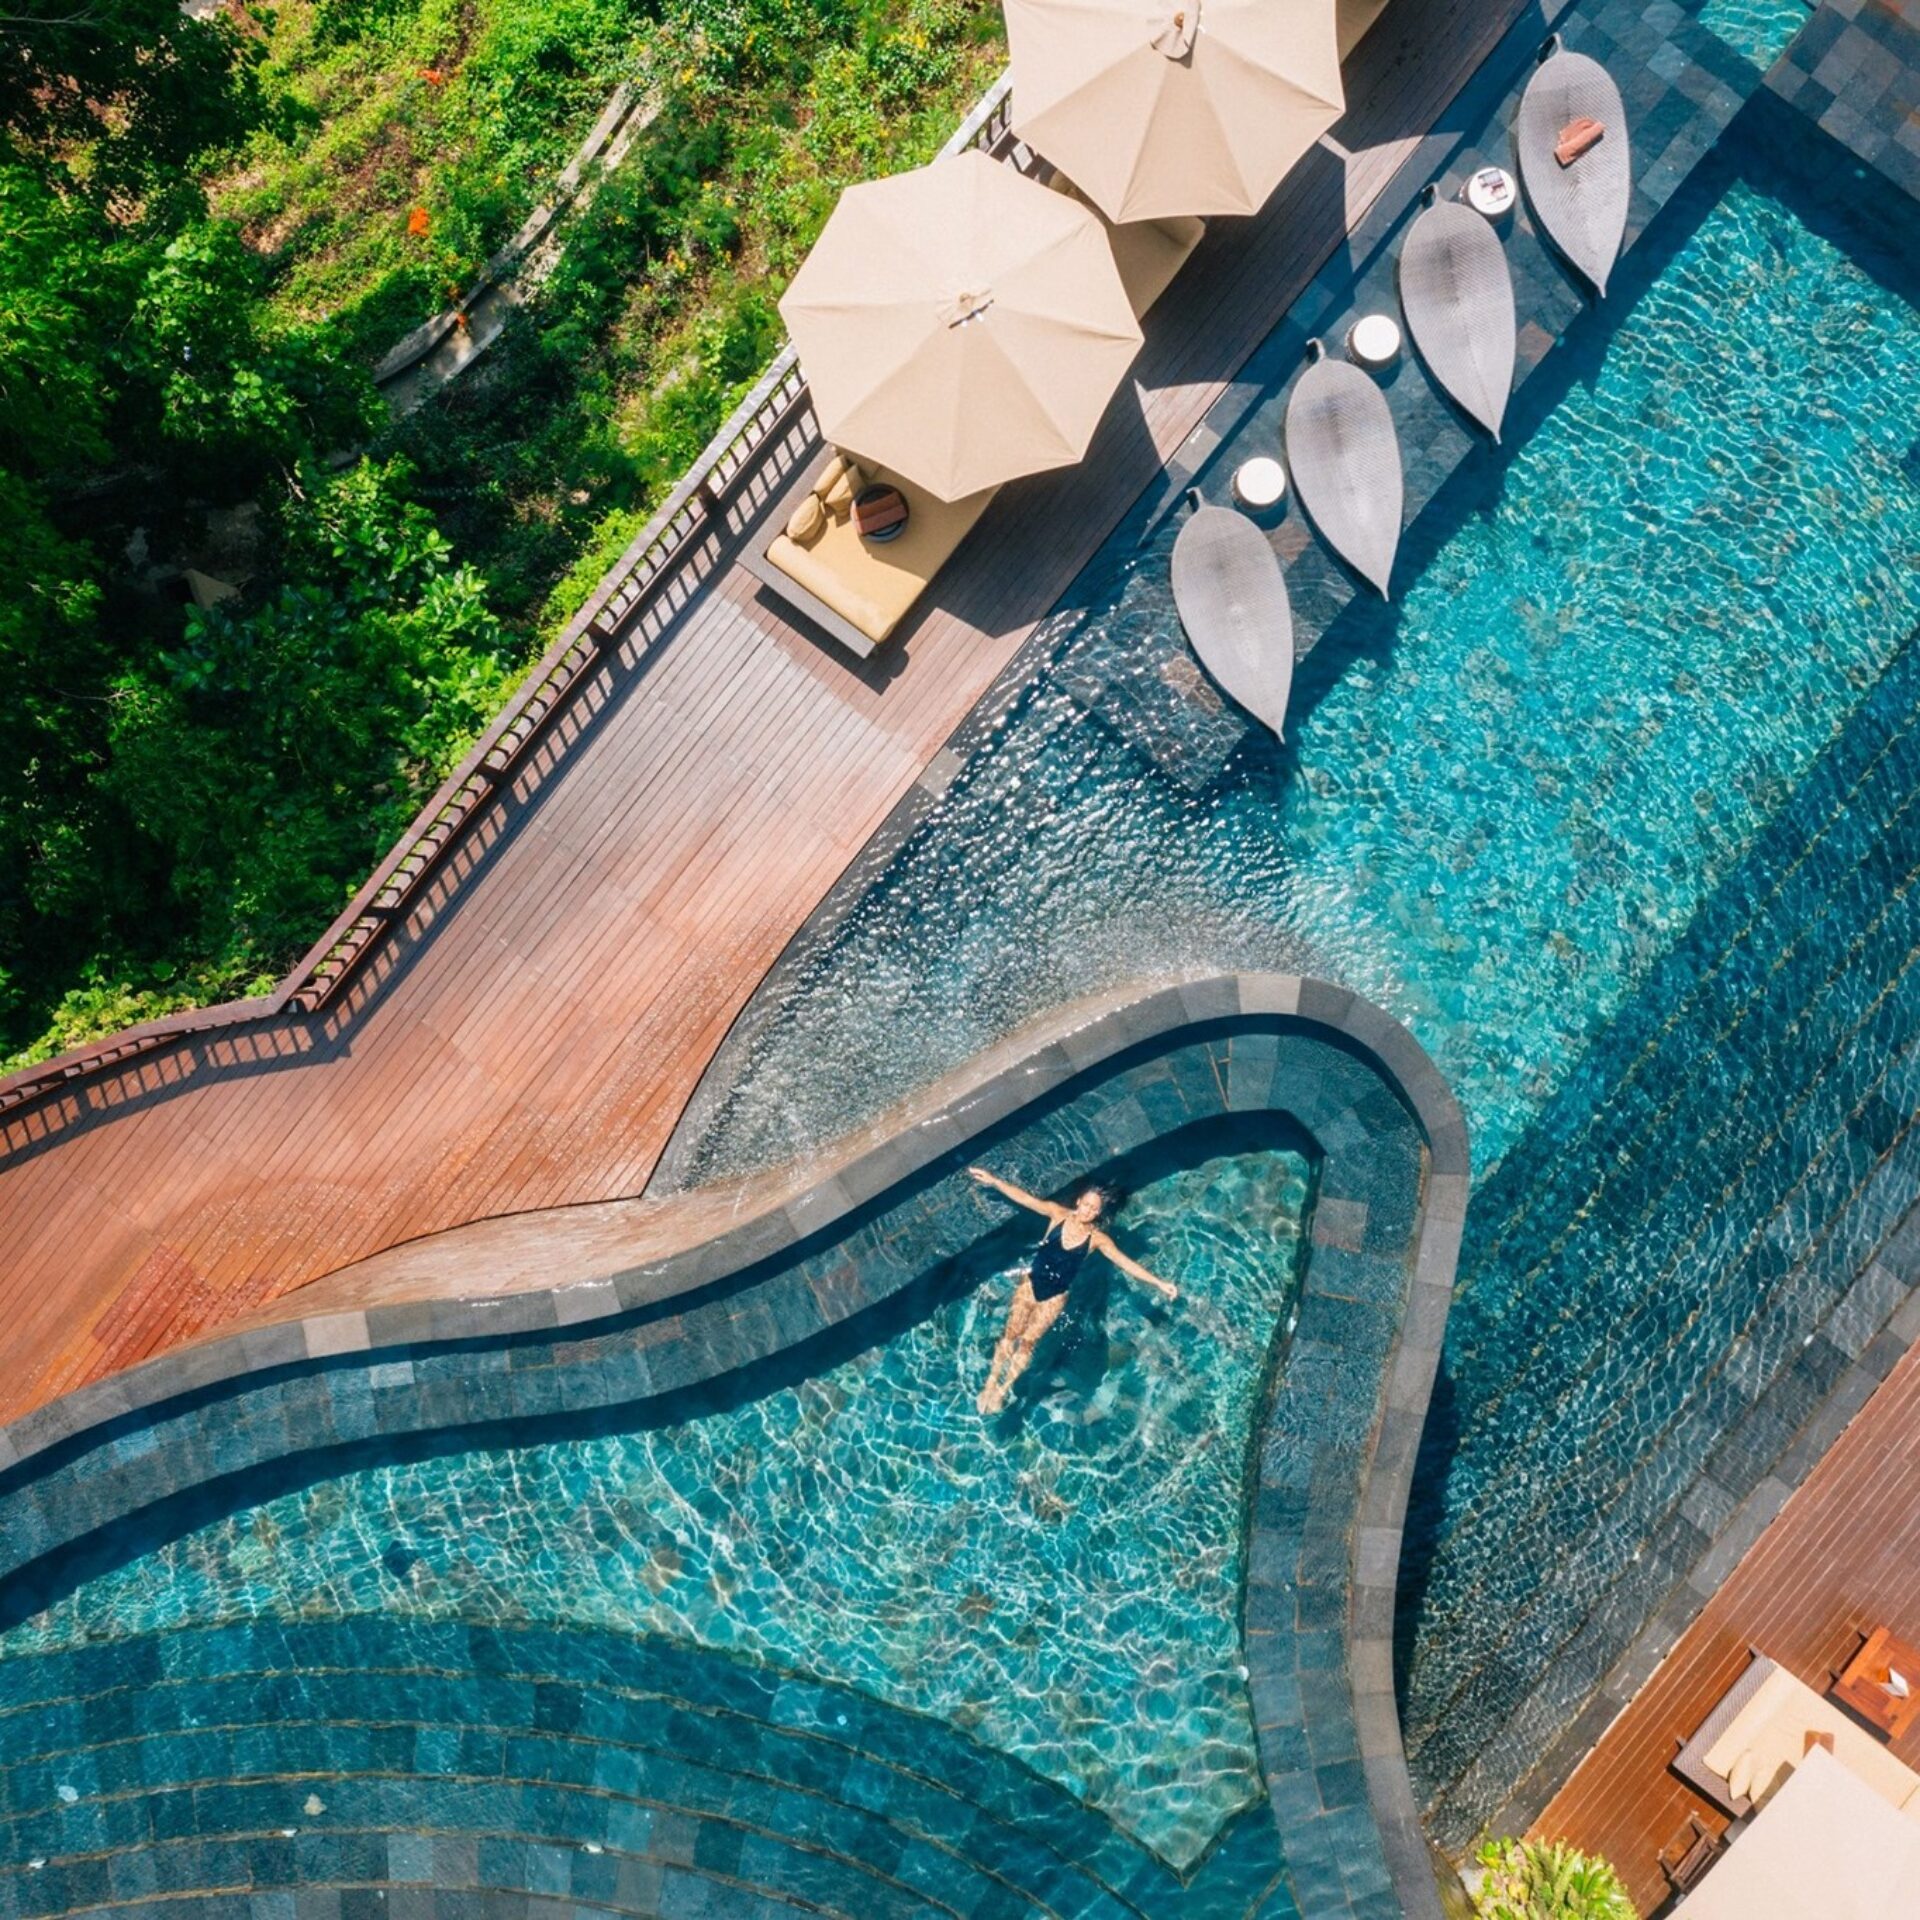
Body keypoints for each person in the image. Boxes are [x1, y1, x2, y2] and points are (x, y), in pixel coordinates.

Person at [968, 1166, 1178, 1414]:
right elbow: (1026, 1199)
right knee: (1009, 1335)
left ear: (1099, 1212)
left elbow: (1126, 1263)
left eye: (1093, 1208)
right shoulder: (1058, 1214)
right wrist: (994, 1181)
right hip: (1030, 1285)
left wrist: (1159, 1283)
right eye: (1085, 1204)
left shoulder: (1098, 1239)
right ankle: (990, 1385)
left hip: (1054, 1298)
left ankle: (1002, 1391)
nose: (1087, 1210)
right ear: (1079, 1201)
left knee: (1027, 1343)